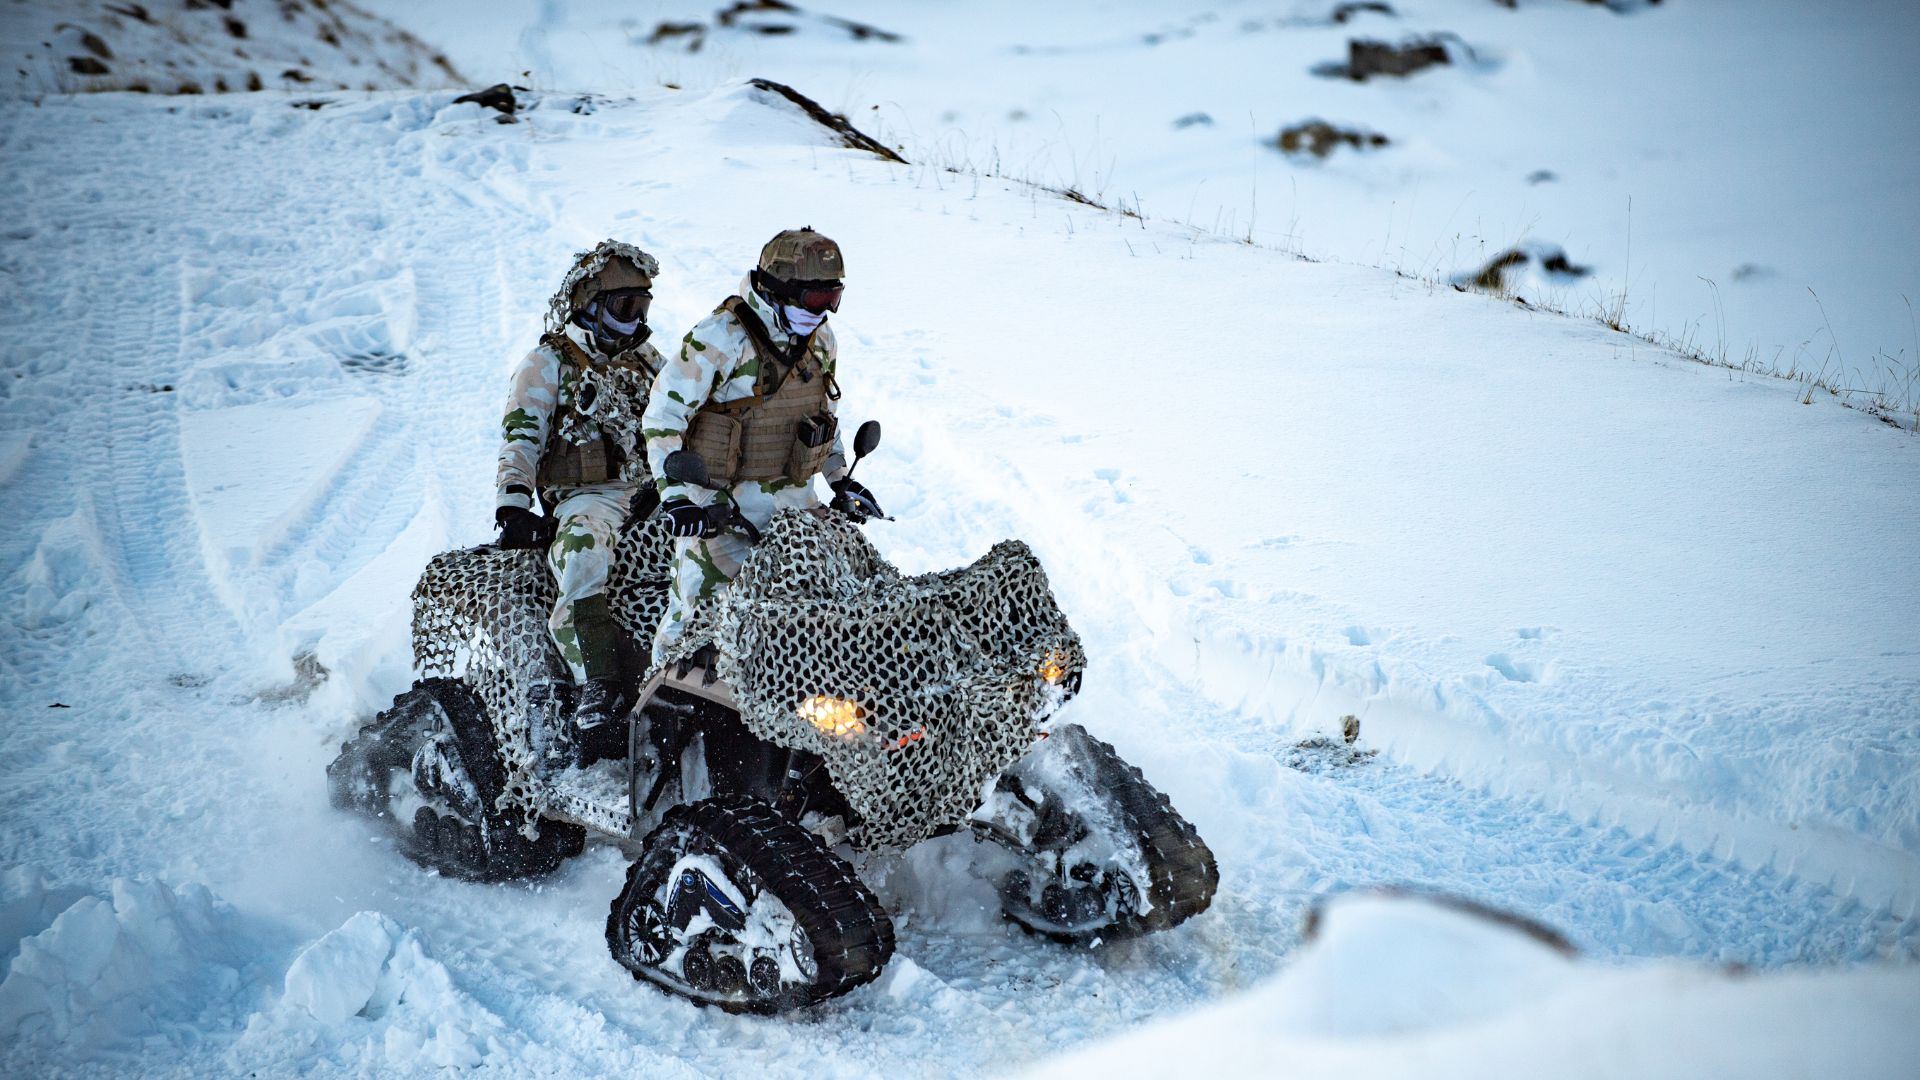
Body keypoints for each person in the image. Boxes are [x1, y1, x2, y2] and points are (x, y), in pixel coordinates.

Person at [640, 227, 883, 662]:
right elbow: (662, 419)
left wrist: (840, 479)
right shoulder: (719, 339)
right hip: (720, 513)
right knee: (690, 627)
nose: (825, 313)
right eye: (815, 301)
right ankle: (652, 712)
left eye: (834, 300)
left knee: (836, 616)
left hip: (796, 514)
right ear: (779, 290)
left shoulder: (821, 342)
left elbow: (823, 415)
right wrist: (677, 498)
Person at [494, 240, 665, 753]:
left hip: (650, 491)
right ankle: (598, 683)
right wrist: (513, 504)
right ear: (589, 304)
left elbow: (680, 420)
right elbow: (521, 435)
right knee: (585, 553)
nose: (634, 321)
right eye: (623, 308)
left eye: (642, 309)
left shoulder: (647, 360)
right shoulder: (547, 364)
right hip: (585, 497)